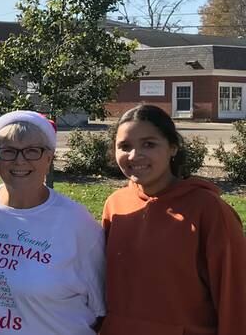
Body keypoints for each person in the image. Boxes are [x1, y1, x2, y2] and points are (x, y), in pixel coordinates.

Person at [100, 104, 246, 335]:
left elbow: (234, 296)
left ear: (173, 147)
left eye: (149, 144)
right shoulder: (115, 205)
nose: (134, 155)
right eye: (124, 146)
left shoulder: (209, 210)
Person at [0, 110, 105, 335]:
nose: (20, 160)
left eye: (32, 151)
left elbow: (101, 308)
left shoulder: (77, 222)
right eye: (8, 151)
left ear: (49, 156)